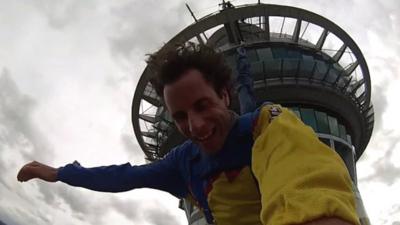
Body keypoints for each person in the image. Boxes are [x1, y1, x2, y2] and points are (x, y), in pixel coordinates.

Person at [18, 43, 360, 225]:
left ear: (224, 96)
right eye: (179, 116)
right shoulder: (183, 162)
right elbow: (123, 177)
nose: (194, 126)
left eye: (202, 105)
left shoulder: (267, 126)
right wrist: (61, 174)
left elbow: (305, 179)